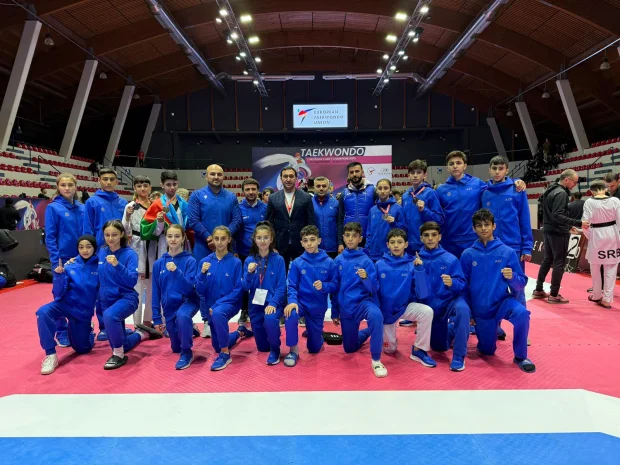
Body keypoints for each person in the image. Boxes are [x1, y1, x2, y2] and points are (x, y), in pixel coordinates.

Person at [460, 209, 535, 373]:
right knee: (487, 351)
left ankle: (521, 356)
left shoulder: (507, 252)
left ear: (494, 226)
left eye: (487, 224)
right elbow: (463, 287)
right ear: (473, 228)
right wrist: (469, 313)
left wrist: (512, 277)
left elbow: (521, 283)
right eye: (479, 225)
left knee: (522, 314)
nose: (483, 228)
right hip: (481, 311)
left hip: (502, 303)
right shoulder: (468, 254)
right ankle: (492, 330)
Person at [436, 151, 526, 259]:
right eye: (451, 164)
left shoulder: (477, 184)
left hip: (474, 240)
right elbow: (437, 216)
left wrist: (515, 181)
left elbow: (497, 187)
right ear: (447, 168)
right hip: (449, 242)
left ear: (465, 166)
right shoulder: (440, 190)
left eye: (458, 163)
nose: (455, 166)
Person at [99, 220, 161, 370]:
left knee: (110, 316)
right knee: (122, 343)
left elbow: (132, 280)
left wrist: (117, 265)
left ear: (122, 234)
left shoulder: (129, 254)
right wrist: (73, 262)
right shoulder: (102, 251)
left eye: (114, 234)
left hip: (126, 298)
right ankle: (142, 333)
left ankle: (118, 356)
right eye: (107, 235)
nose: (110, 238)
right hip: (107, 300)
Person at [36, 235, 99, 375]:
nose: (85, 250)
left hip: (82, 312)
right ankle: (50, 354)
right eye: (81, 247)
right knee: (42, 312)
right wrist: (59, 276)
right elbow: (58, 293)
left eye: (88, 247)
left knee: (82, 349)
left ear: (94, 248)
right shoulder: (70, 265)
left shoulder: (100, 265)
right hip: (64, 304)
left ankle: (88, 330)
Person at [375, 229, 437, 369]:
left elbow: (423, 294)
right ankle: (372, 332)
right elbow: (373, 289)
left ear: (406, 244)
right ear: (387, 245)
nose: (396, 245)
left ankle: (419, 350)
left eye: (400, 242)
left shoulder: (412, 264)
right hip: (386, 312)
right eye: (393, 242)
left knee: (427, 311)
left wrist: (420, 269)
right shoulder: (379, 264)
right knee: (389, 350)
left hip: (404, 308)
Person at [332, 222, 386, 378]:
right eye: (347, 236)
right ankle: (368, 331)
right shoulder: (338, 261)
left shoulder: (366, 261)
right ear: (343, 237)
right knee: (349, 348)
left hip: (363, 303)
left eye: (354, 236)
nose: (350, 239)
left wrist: (366, 278)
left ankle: (376, 360)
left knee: (376, 315)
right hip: (345, 307)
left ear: (360, 239)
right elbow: (334, 289)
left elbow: (374, 288)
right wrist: (335, 311)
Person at [196, 226, 253, 371]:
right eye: (217, 239)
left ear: (229, 240)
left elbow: (238, 290)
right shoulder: (205, 262)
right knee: (217, 345)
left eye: (223, 239)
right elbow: (200, 291)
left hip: (229, 304)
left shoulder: (235, 262)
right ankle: (240, 331)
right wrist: (202, 274)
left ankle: (225, 355)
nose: (220, 242)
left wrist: (217, 305)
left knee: (218, 314)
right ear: (212, 240)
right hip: (210, 307)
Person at [482, 156, 533, 310]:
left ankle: (521, 321)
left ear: (507, 170)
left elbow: (525, 219)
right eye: (494, 168)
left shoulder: (517, 190)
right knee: (494, 288)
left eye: (501, 168)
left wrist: (527, 247)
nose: (497, 172)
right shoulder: (483, 192)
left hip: (514, 247)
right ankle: (495, 322)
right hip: (491, 247)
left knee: (517, 287)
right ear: (489, 170)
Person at [418, 222, 470, 372]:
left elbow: (462, 284)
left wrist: (453, 283)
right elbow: (415, 289)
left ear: (440, 237)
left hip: (449, 302)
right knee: (439, 347)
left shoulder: (450, 259)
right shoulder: (416, 260)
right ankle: (451, 330)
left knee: (463, 309)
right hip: (430, 308)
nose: (430, 238)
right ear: (421, 238)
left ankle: (459, 356)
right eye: (426, 235)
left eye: (434, 235)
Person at [83, 168, 128, 340]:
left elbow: (127, 227)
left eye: (111, 179)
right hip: (100, 251)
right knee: (103, 290)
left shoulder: (123, 202)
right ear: (99, 180)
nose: (108, 182)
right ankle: (103, 326)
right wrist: (90, 252)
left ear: (117, 181)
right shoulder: (92, 202)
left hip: (120, 251)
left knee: (120, 288)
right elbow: (87, 228)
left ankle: (119, 324)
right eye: (105, 179)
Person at [284, 225, 338, 367]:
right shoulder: (297, 263)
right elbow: (292, 285)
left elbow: (335, 285)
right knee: (290, 314)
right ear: (301, 243)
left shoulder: (329, 262)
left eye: (312, 240)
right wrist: (292, 301)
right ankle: (293, 350)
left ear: (319, 241)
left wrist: (324, 286)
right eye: (305, 240)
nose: (309, 243)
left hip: (317, 307)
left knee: (314, 349)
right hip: (301, 303)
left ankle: (316, 334)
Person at [151, 225, 200, 370]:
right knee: (175, 348)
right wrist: (156, 318)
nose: (173, 239)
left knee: (182, 316)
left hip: (188, 301)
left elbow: (190, 289)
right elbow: (156, 292)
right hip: (169, 307)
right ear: (165, 238)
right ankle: (190, 329)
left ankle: (187, 353)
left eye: (177, 236)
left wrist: (177, 272)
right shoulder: (158, 264)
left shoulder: (190, 261)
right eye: (170, 236)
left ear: (183, 238)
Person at [533, 169, 586, 304]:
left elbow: (552, 214)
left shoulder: (550, 190)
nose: (575, 185)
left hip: (548, 230)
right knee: (559, 263)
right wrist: (578, 222)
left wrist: (568, 226)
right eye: (574, 182)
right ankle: (554, 294)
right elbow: (558, 215)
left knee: (547, 260)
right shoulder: (561, 193)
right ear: (566, 180)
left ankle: (538, 289)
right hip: (558, 232)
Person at [44, 173, 85, 348]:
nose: (67, 188)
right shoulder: (53, 208)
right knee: (60, 294)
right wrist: (56, 260)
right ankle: (61, 331)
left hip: (82, 258)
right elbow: (50, 237)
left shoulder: (82, 207)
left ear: (76, 187)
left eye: (70, 185)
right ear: (58, 187)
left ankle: (79, 327)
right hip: (63, 259)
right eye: (63, 185)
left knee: (81, 293)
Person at [243, 222, 287, 365]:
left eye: (266, 237)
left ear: (271, 239)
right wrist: (249, 273)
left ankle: (275, 349)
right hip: (255, 305)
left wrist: (273, 303)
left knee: (270, 319)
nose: (262, 241)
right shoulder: (249, 260)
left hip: (273, 303)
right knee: (262, 348)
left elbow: (281, 286)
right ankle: (243, 332)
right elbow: (245, 287)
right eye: (259, 238)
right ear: (254, 240)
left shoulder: (278, 260)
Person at [266, 166, 316, 272]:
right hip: (280, 244)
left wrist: (309, 243)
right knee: (280, 274)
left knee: (302, 273)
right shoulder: (273, 198)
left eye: (291, 176)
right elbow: (269, 224)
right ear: (281, 179)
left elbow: (310, 222)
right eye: (285, 176)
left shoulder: (306, 197)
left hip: (301, 244)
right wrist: (272, 245)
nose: (288, 179)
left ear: (296, 178)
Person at [188, 164, 242, 262]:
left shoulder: (231, 197)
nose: (216, 177)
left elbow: (237, 220)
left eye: (219, 174)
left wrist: (223, 238)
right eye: (212, 174)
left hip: (226, 247)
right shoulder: (196, 195)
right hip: (203, 246)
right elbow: (193, 220)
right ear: (206, 177)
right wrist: (209, 238)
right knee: (203, 271)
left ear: (223, 177)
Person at [122, 176, 155, 328]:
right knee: (138, 287)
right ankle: (137, 323)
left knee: (152, 287)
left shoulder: (155, 205)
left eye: (145, 185)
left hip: (153, 244)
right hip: (136, 245)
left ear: (150, 188)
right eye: (139, 186)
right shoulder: (130, 206)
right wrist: (128, 215)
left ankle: (148, 320)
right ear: (135, 188)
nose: (143, 188)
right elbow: (124, 228)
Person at [582, 180, 620, 309]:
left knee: (595, 267)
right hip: (612, 234)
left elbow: (585, 223)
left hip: (596, 234)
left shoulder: (589, 202)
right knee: (611, 267)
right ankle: (607, 299)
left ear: (591, 191)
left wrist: (590, 236)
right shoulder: (615, 201)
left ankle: (597, 294)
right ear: (605, 189)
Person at [235, 178, 267, 327]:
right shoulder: (237, 208)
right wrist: (234, 250)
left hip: (262, 252)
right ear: (243, 191)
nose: (250, 192)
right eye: (247, 189)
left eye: (253, 189)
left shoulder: (265, 208)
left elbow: (270, 229)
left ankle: (259, 308)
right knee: (244, 283)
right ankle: (244, 310)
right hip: (243, 252)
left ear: (258, 191)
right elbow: (235, 230)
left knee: (261, 281)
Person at [141, 171, 190, 259]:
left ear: (178, 183)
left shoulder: (184, 203)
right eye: (168, 185)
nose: (172, 187)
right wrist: (159, 222)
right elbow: (148, 229)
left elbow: (189, 225)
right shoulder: (157, 204)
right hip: (165, 242)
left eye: (174, 184)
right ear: (162, 185)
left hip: (182, 241)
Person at [402, 160, 444, 255]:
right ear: (408, 175)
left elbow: (440, 219)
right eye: (412, 173)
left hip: (425, 244)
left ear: (425, 175)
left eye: (419, 172)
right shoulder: (405, 196)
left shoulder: (431, 193)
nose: (415, 175)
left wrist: (424, 210)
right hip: (408, 245)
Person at [337, 162, 376, 253]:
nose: (354, 174)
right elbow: (340, 219)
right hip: (350, 239)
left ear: (362, 172)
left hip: (369, 238)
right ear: (348, 174)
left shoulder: (373, 191)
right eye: (351, 172)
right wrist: (340, 242)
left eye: (357, 171)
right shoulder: (344, 194)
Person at [366, 179, 406, 261]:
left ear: (390, 190)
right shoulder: (372, 210)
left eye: (386, 188)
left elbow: (404, 231)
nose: (382, 191)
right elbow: (369, 232)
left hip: (390, 253)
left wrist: (394, 223)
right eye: (380, 188)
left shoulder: (398, 208)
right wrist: (367, 247)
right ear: (376, 190)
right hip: (373, 253)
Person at [312, 176, 339, 259]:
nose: (321, 188)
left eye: (324, 186)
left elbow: (340, 224)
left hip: (332, 248)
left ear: (329, 187)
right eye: (318, 186)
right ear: (314, 188)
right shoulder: (309, 203)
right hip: (314, 248)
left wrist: (340, 243)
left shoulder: (336, 203)